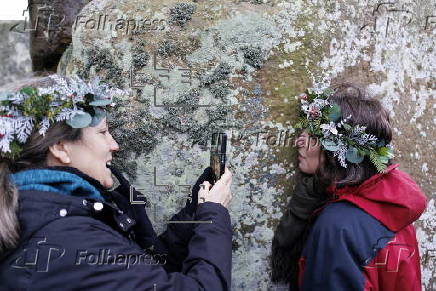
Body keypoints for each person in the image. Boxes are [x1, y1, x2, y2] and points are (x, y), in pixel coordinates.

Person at [0, 74, 233, 290]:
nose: (114, 145)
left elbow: (144, 272)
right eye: (103, 133)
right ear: (61, 148)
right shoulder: (69, 239)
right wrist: (213, 217)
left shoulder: (49, 216)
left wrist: (196, 212)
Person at [271, 83, 427, 290]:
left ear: (338, 151)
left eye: (315, 136)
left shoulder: (337, 225)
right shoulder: (395, 209)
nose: (299, 142)